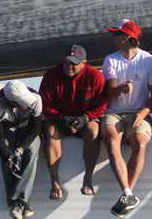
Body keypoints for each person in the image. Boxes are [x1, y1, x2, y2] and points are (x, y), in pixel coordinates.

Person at [101, 19, 152, 217]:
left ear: (127, 38)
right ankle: (127, 194)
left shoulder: (150, 61)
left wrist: (142, 113)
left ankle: (127, 195)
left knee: (140, 143)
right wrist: (120, 89)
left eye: (117, 34)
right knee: (111, 140)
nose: (113, 38)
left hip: (140, 111)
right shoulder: (110, 60)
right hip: (114, 112)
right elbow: (109, 93)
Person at [39, 44, 107, 199]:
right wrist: (61, 118)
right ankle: (54, 181)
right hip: (60, 119)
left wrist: (85, 118)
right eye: (67, 62)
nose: (69, 67)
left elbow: (102, 104)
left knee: (93, 131)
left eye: (74, 63)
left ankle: (88, 178)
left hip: (85, 119)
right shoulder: (50, 75)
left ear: (84, 62)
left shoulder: (96, 76)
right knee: (50, 131)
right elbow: (45, 104)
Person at [0, 80, 43, 219]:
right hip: (7, 129)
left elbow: (35, 131)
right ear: (11, 102)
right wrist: (8, 155)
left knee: (32, 149)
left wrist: (20, 149)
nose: (27, 106)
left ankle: (19, 201)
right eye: (23, 104)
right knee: (7, 156)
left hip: (27, 129)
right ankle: (18, 203)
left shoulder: (36, 99)